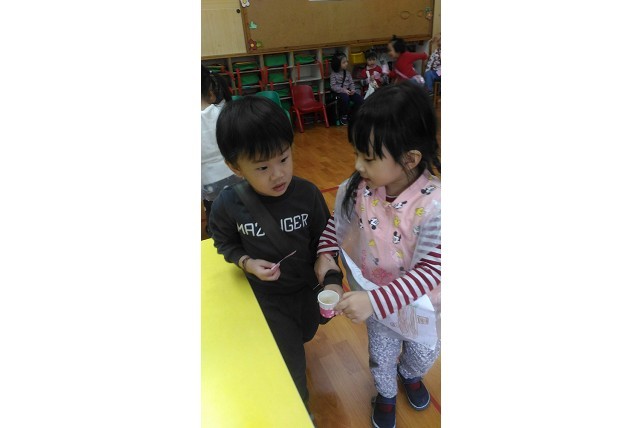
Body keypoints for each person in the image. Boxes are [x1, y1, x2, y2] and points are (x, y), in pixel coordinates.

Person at [315, 82, 441, 428]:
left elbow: (432, 270)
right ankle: (385, 393)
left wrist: (374, 301)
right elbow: (338, 223)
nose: (358, 165)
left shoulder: (436, 205)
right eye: (357, 153)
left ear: (410, 159)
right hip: (377, 300)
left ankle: (410, 374)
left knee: (423, 354)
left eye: (368, 158)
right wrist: (326, 253)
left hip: (422, 306)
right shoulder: (362, 189)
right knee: (380, 356)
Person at [208, 96, 339, 408]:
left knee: (307, 332)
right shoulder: (228, 204)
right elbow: (223, 241)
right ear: (235, 167)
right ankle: (299, 410)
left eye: (284, 158)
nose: (278, 174)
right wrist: (247, 262)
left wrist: (333, 279)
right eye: (263, 167)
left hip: (306, 290)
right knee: (290, 360)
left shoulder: (307, 194)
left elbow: (327, 240)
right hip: (269, 299)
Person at [201, 65, 242, 234]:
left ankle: (218, 235)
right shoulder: (222, 112)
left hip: (209, 181)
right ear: (210, 90)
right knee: (242, 209)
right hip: (236, 173)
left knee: (216, 218)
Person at [330, 52, 364, 125]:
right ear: (338, 64)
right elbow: (333, 86)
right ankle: (344, 115)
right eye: (344, 62)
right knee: (345, 98)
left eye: (346, 62)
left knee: (360, 99)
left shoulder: (348, 73)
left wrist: (353, 90)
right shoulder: (333, 74)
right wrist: (343, 90)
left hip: (349, 91)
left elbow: (351, 83)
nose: (346, 64)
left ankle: (352, 114)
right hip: (339, 93)